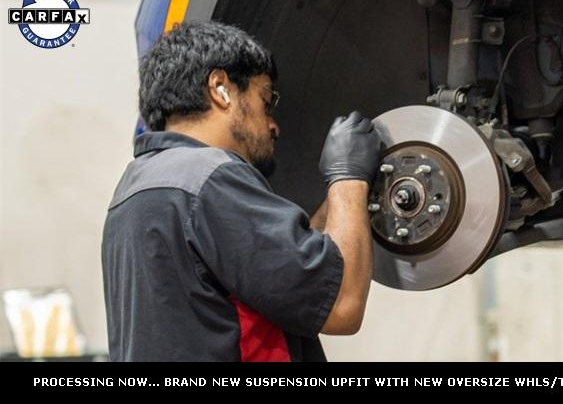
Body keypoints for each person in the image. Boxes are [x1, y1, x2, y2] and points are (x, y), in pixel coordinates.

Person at [102, 21, 381, 361]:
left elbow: (276, 264)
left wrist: (338, 208)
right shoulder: (211, 177)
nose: (273, 125)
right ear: (221, 88)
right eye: (266, 101)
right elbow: (341, 304)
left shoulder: (137, 187)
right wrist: (348, 176)